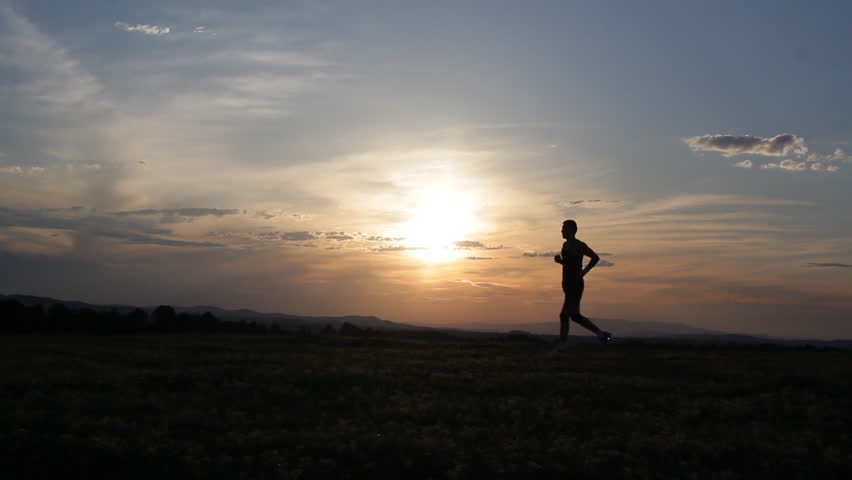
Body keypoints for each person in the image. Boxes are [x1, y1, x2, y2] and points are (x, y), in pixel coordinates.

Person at [553, 219, 611, 352]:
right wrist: (560, 261)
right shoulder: (565, 245)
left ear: (572, 230)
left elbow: (595, 257)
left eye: (564, 228)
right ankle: (602, 335)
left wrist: (584, 272)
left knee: (564, 315)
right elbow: (569, 265)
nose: (562, 231)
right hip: (567, 283)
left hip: (575, 283)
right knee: (575, 316)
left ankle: (563, 344)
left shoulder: (579, 245)